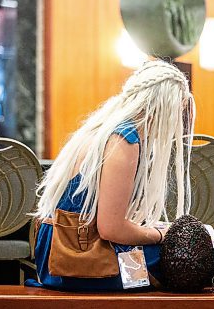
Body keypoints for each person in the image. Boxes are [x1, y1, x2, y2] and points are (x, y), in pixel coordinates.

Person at [29, 60, 196, 291]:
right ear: (163, 108)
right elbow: (111, 229)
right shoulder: (124, 140)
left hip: (59, 250)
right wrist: (159, 234)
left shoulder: (107, 127)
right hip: (78, 258)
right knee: (186, 255)